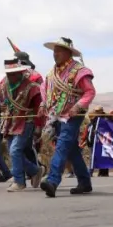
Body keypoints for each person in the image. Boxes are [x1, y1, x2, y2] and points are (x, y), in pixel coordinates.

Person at [38, 37, 96, 198]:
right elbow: (45, 90)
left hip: (73, 115)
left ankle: (52, 181)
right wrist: (43, 104)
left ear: (68, 53)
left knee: (62, 145)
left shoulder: (79, 71)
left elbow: (89, 92)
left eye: (59, 51)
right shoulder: (52, 73)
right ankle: (84, 182)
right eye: (54, 51)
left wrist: (78, 106)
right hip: (56, 115)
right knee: (72, 150)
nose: (55, 54)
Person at [0, 58, 45, 192]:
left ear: (20, 73)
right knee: (13, 152)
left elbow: (39, 109)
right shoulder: (4, 86)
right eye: (8, 74)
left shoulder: (32, 87)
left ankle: (19, 181)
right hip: (10, 122)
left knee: (15, 150)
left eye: (13, 73)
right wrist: (2, 106)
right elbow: (1, 101)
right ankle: (35, 170)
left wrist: (39, 127)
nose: (10, 76)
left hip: (26, 122)